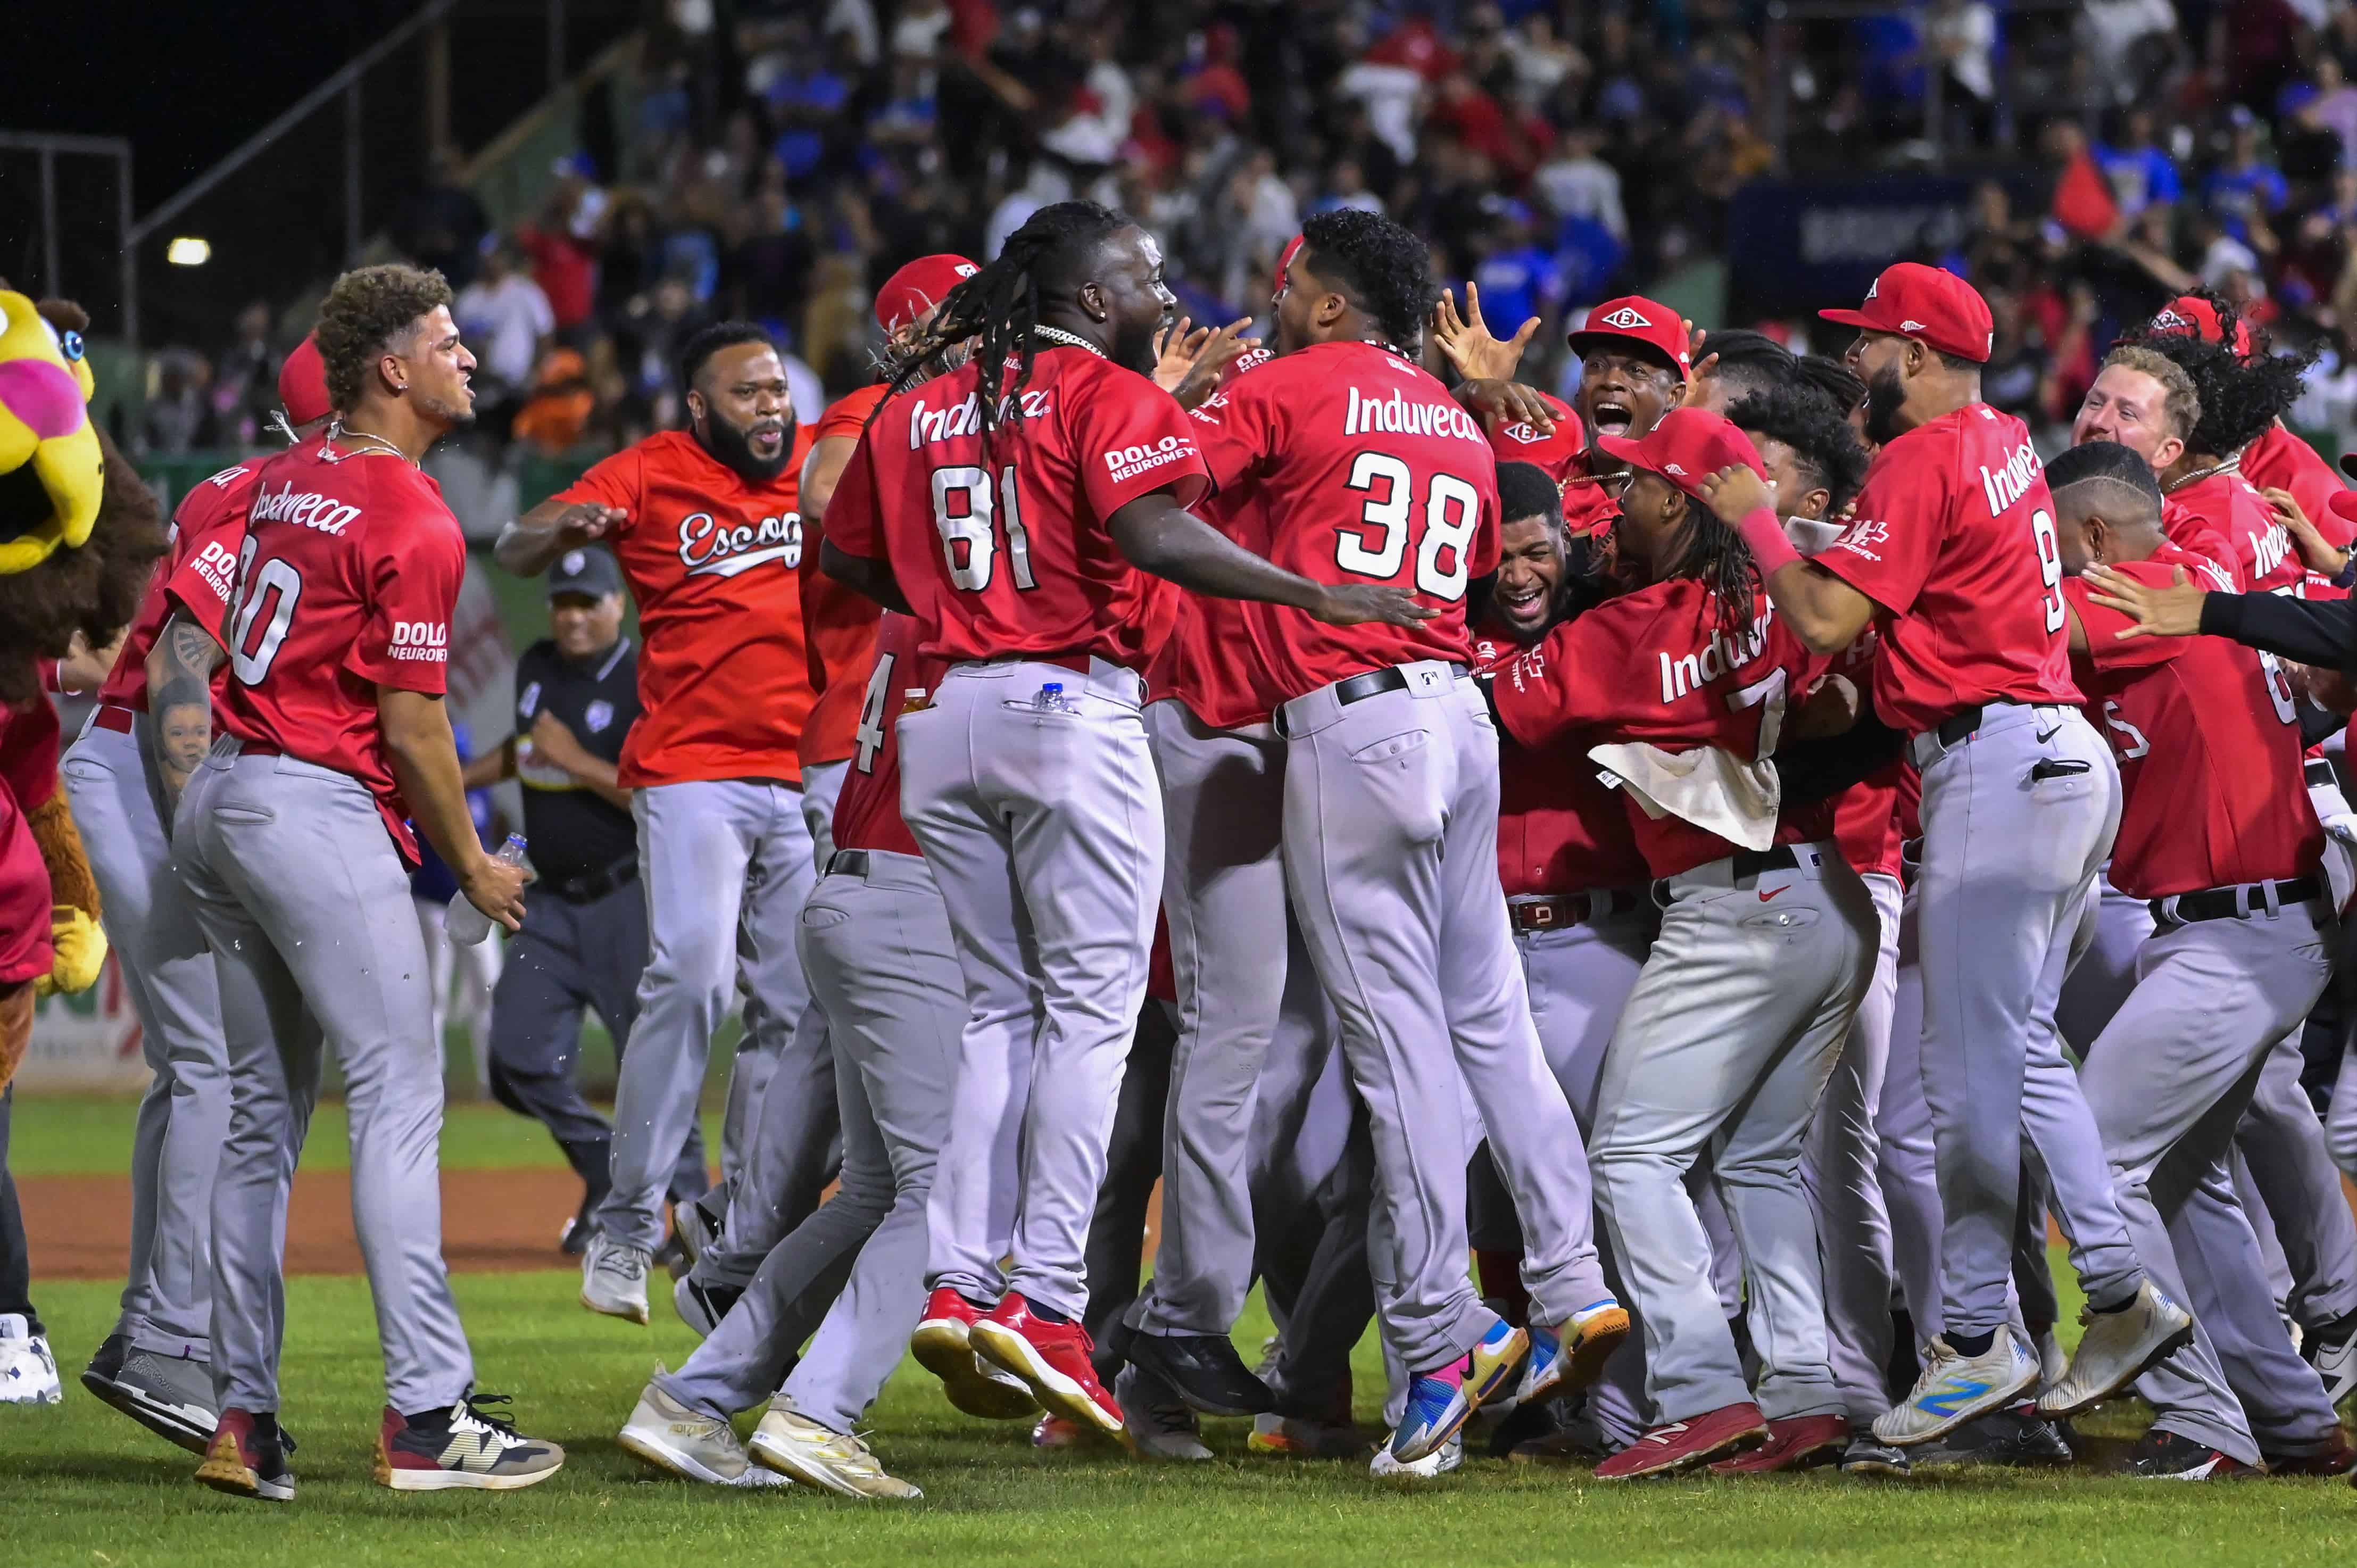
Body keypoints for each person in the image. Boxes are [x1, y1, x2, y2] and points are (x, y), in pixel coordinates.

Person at [822, 199, 1428, 1439]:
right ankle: (1045, 1300)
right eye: (1146, 273)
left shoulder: (920, 405)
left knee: (997, 1011)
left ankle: (958, 1274)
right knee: (1091, 1017)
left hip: (945, 717)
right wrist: (1319, 590)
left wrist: (958, 594)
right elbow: (1158, 533)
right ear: (1093, 298)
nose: (1167, 288)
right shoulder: (1104, 393)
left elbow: (849, 560)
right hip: (1067, 707)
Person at [1175, 209, 1624, 1467]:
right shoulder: (1447, 415)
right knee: (1489, 1021)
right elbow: (1481, 563)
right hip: (1459, 718)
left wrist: (1163, 399)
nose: (1274, 297)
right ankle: (1572, 1275)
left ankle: (1439, 1339)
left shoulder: (1284, 385)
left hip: (1354, 724)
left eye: (1289, 282)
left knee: (1394, 1046)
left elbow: (1156, 489)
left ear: (1328, 304)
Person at [1724, 262, 2187, 1446]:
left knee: (1960, 1077)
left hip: (1996, 766)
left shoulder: (1926, 455)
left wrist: (1758, 521)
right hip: (2057, 757)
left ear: (1919, 355)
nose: (1860, 368)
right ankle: (2079, 1302)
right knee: (2018, 1050)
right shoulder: (2003, 441)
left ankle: (2013, 1323)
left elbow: (1827, 620)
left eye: (1874, 346)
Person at [167, 263, 562, 1497]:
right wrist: (478, 866)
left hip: (224, 792)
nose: (471, 358)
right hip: (311, 801)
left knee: (257, 1119)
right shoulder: (416, 514)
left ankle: (241, 1416)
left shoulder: (275, 481)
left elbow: (192, 630)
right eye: (449, 342)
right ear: (392, 368)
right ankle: (429, 1417)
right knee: (398, 1094)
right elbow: (415, 732)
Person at [1495, 408, 1877, 1477]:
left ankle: (1701, 1393)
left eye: (1635, 487)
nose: (1618, 503)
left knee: (1629, 1154)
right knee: (1757, 1159)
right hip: (1827, 897)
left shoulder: (1633, 624)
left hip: (1734, 906)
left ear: (1682, 497)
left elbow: (1505, 705)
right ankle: (1802, 1390)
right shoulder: (1777, 593)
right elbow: (1841, 696)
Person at [496, 320, 826, 1326]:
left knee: (793, 1011)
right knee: (688, 975)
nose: (770, 406)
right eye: (745, 393)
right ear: (697, 406)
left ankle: (736, 1227)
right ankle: (630, 1221)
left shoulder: (821, 463)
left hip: (808, 771)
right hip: (692, 772)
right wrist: (560, 528)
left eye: (776, 388)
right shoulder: (650, 472)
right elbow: (515, 544)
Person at [2051, 439, 2355, 1479]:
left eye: (2050, 541)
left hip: (2238, 930)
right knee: (2182, 1174)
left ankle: (2201, 1416)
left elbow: (2010, 639)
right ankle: (2288, 1412)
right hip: (2246, 921)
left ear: (2093, 537)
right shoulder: (2196, 578)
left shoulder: (2141, 590)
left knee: (2093, 1159)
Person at [618, 611, 964, 1498]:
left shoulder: (909, 621)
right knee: (937, 1188)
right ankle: (818, 1412)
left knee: (877, 1192)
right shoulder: (998, 620)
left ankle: (694, 1398)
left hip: (850, 895)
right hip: (914, 907)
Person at [62, 337, 331, 1453]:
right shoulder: (268, 493)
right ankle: (167, 1340)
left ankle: (163, 1332)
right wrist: (196, 836)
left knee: (197, 1069)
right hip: (147, 768)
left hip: (162, 766)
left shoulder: (280, 491)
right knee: (215, 1065)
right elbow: (180, 661)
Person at [464, 546, 707, 1252]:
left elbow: (658, 795)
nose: (572, 617)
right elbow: (524, 750)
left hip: (627, 894)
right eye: (562, 602)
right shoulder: (538, 665)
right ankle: (606, 1166)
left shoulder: (645, 677)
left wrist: (572, 759)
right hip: (548, 899)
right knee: (514, 1059)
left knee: (653, 1062)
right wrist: (453, 780)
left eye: (587, 603)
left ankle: (692, 1219)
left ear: (617, 606)